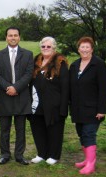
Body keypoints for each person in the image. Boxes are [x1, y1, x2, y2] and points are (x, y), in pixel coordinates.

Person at [0, 26, 34, 165]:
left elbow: (28, 74)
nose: (13, 38)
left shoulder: (28, 54)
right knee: (4, 129)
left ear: (19, 37)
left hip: (21, 96)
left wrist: (16, 88)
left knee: (20, 129)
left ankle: (19, 155)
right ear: (6, 37)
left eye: (15, 35)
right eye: (10, 35)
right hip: (5, 96)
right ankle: (5, 154)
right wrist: (7, 88)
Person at [69, 36, 106, 175]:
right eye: (82, 47)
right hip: (78, 108)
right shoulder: (74, 65)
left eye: (87, 47)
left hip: (93, 109)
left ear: (92, 49)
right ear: (78, 49)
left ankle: (91, 164)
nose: (85, 49)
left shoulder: (99, 64)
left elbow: (104, 89)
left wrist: (102, 110)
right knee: (81, 134)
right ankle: (87, 160)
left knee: (89, 134)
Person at [28, 37, 69, 165]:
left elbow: (65, 86)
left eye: (48, 46)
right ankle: (41, 153)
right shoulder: (35, 61)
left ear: (54, 48)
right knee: (38, 129)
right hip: (36, 103)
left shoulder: (60, 63)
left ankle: (53, 155)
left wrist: (63, 107)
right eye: (43, 46)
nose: (45, 48)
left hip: (54, 105)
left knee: (54, 130)